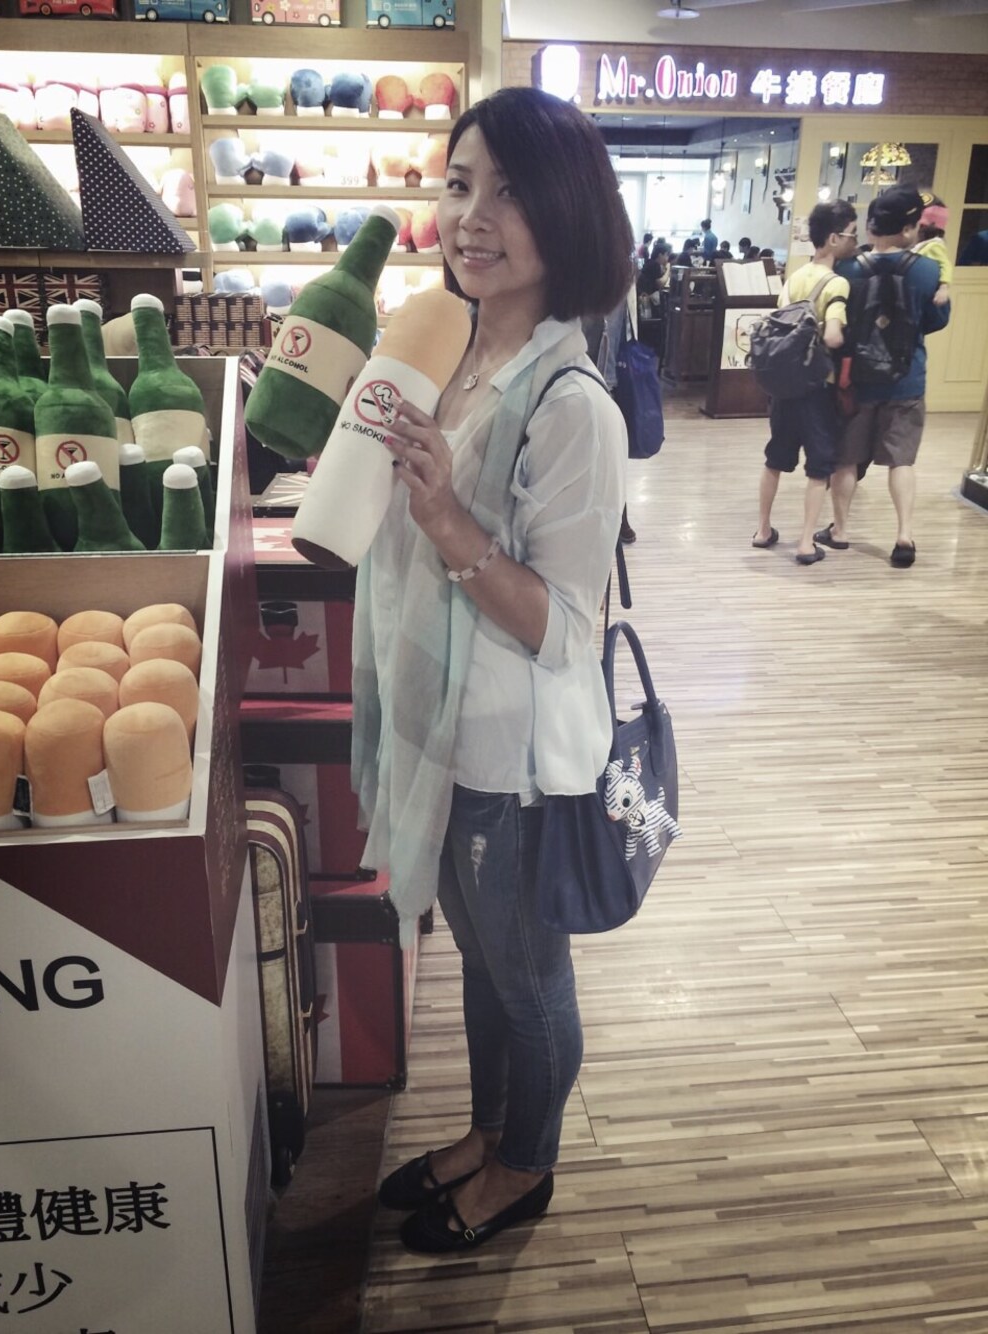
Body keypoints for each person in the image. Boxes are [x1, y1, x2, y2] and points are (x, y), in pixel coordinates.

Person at [361, 86, 634, 1254]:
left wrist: (446, 521)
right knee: (479, 962)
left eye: (511, 191)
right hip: (440, 725)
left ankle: (526, 1164)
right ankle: (487, 1129)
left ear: (566, 215)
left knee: (527, 980)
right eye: (461, 182)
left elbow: (563, 626)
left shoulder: (573, 408)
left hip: (510, 754)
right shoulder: (454, 349)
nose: (473, 215)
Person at [817, 185, 950, 567]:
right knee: (901, 461)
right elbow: (937, 319)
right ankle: (904, 536)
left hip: (856, 380)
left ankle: (840, 531)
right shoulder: (928, 270)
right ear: (908, 229)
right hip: (907, 378)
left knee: (846, 459)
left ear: (872, 226)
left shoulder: (847, 268)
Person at [751, 199, 858, 564]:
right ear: (833, 238)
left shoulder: (795, 277)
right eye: (851, 234)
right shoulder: (837, 282)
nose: (854, 241)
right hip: (816, 389)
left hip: (785, 387)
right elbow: (832, 336)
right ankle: (806, 543)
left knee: (775, 459)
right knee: (819, 467)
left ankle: (763, 530)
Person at [913, 193, 952, 306]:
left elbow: (945, 265)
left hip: (926, 297)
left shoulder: (934, 245)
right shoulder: (923, 244)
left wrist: (943, 288)